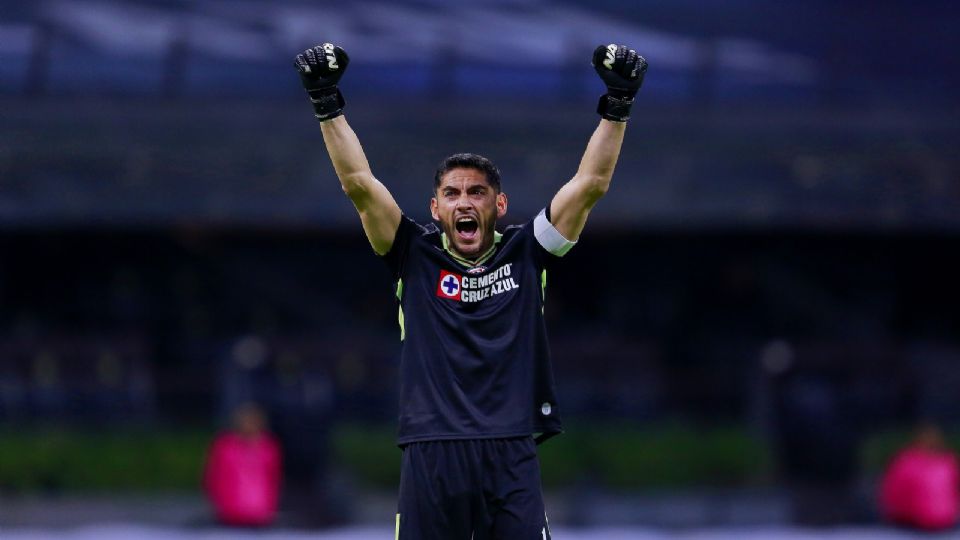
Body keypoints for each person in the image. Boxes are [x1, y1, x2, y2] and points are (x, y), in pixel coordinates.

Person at [294, 42, 646, 539]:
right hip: (432, 449)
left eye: (477, 192)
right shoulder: (412, 253)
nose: (465, 202)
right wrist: (326, 99)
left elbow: (590, 183)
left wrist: (619, 103)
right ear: (435, 208)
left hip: (510, 449)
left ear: (498, 204)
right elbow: (359, 183)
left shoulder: (527, 250)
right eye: (453, 193)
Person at [203, 402, 283, 527]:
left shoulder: (268, 447)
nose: (249, 425)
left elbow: (274, 478)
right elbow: (213, 476)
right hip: (229, 513)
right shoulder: (225, 446)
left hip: (260, 513)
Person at [880, 422, 959, 531]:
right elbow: (893, 493)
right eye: (926, 436)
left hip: (945, 524)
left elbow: (955, 489)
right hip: (910, 526)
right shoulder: (906, 462)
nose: (930, 440)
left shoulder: (947, 462)